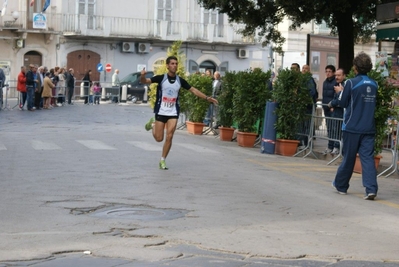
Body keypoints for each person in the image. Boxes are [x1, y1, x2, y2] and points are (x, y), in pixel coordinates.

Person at [141, 56, 218, 170]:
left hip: (173, 111)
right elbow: (145, 81)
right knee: (159, 138)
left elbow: (193, 90)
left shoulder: (180, 80)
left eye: (176, 63)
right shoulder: (161, 78)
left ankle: (162, 160)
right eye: (172, 63)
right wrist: (142, 75)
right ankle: (153, 124)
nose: (174, 65)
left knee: (170, 135)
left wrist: (207, 98)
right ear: (167, 66)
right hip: (161, 110)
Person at [332, 52, 378, 200]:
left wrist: (340, 93)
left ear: (355, 67)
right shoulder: (374, 84)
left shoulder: (351, 83)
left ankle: (341, 185)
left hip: (352, 127)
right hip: (368, 127)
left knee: (349, 158)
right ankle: (371, 189)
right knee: (368, 158)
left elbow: (343, 103)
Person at [328, 68, 346, 155]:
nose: (336, 77)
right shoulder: (337, 84)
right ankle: (333, 146)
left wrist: (332, 103)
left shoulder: (344, 86)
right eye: (336, 75)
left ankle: (337, 147)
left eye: (339, 75)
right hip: (336, 112)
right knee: (333, 129)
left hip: (341, 112)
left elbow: (340, 100)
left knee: (338, 130)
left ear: (344, 76)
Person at [322, 65, 336, 154]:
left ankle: (335, 146)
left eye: (330, 71)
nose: (328, 73)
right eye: (326, 71)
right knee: (329, 128)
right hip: (326, 107)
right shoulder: (325, 82)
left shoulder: (335, 82)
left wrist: (332, 106)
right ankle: (330, 146)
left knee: (334, 127)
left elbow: (335, 95)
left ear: (333, 72)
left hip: (332, 108)